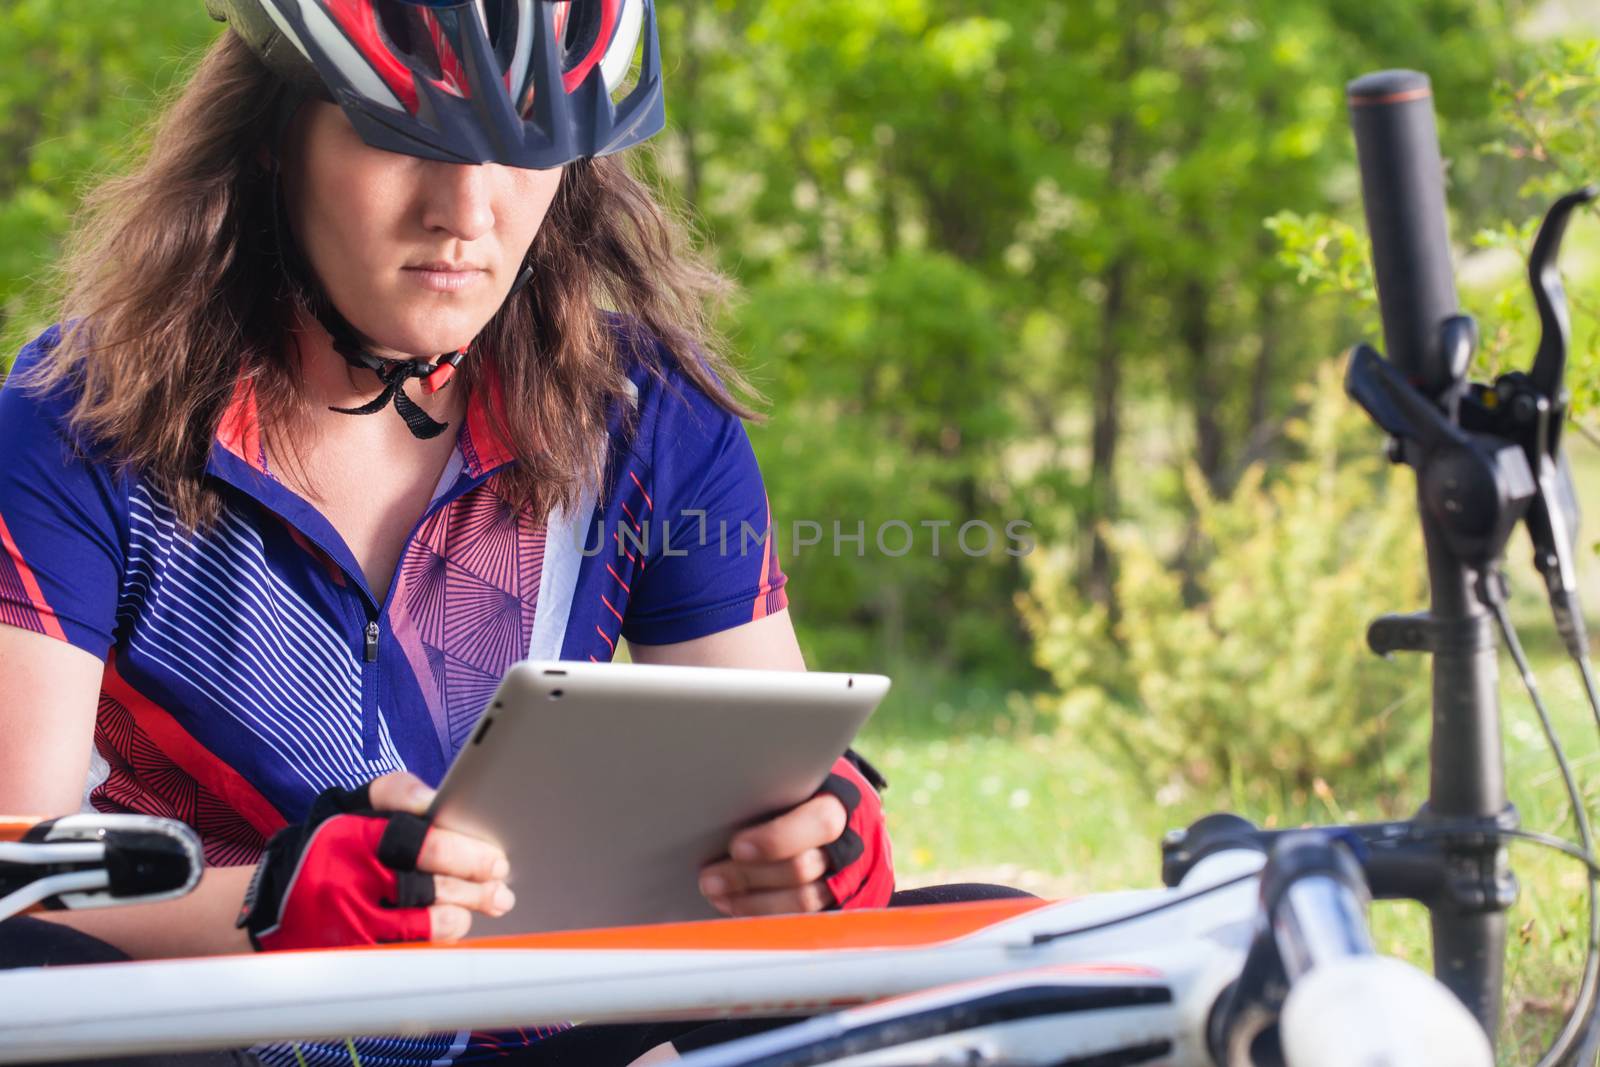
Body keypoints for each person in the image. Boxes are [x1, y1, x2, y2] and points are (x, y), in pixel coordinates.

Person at [0, 2, 899, 1064]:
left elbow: (767, 773)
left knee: (987, 936)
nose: (465, 211)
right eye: (401, 135)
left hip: (553, 1021)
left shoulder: (652, 414)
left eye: (526, 144)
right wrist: (270, 909)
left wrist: (821, 843)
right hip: (217, 1026)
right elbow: (19, 886)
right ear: (270, 141)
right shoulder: (73, 421)